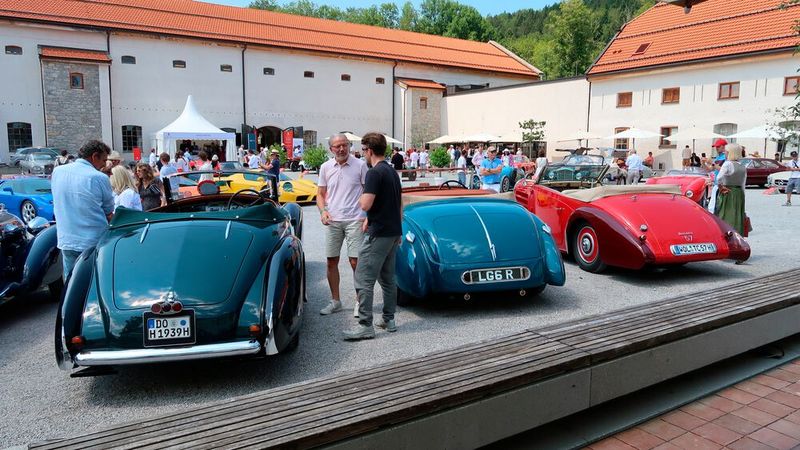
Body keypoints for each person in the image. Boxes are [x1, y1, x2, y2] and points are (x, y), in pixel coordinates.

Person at [343, 132, 402, 340]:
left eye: (363, 150)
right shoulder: (391, 171)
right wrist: (399, 230)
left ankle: (365, 325)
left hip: (378, 233)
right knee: (388, 279)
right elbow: (398, 203)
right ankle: (389, 319)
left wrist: (360, 199)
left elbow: (366, 204)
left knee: (363, 279)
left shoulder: (374, 173)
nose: (362, 154)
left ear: (369, 150)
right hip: (392, 232)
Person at [317, 134, 369, 317]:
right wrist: (323, 211)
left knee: (356, 262)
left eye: (344, 145)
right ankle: (335, 301)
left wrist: (368, 216)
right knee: (331, 261)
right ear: (331, 149)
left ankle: (359, 302)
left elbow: (369, 191)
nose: (341, 149)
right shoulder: (325, 167)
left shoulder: (360, 165)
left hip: (356, 219)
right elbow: (320, 194)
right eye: (337, 146)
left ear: (349, 145)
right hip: (333, 220)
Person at [51, 140, 114, 280]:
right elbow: (109, 211)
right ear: (94, 156)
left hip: (66, 238)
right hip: (92, 241)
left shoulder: (58, 172)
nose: (104, 165)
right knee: (94, 283)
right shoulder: (99, 177)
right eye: (104, 160)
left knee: (71, 283)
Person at [714, 144, 747, 236]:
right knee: (737, 216)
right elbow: (743, 184)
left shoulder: (727, 164)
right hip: (739, 193)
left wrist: (720, 187)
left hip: (728, 191)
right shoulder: (742, 166)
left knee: (726, 214)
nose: (725, 152)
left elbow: (719, 178)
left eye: (726, 151)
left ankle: (726, 234)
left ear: (730, 152)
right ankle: (737, 235)